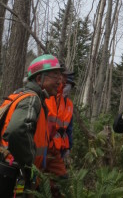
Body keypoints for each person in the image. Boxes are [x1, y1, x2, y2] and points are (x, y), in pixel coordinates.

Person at [0, 54, 64, 197]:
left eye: (60, 76)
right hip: (13, 175)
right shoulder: (31, 99)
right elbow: (17, 131)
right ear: (39, 78)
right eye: (55, 75)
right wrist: (29, 166)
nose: (59, 81)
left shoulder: (23, 97)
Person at [45, 69, 75, 195]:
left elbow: (69, 128)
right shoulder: (49, 97)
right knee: (42, 181)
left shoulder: (68, 104)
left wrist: (69, 147)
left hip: (60, 148)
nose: (68, 87)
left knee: (60, 182)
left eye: (70, 85)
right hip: (46, 146)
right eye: (66, 83)